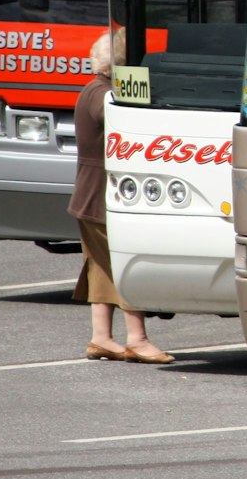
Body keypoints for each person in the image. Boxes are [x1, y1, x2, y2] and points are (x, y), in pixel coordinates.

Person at [71, 32, 172, 363]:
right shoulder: (103, 95)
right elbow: (123, 123)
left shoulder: (93, 89)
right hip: (104, 196)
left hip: (90, 195)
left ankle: (101, 338)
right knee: (124, 263)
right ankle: (137, 339)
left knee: (101, 267)